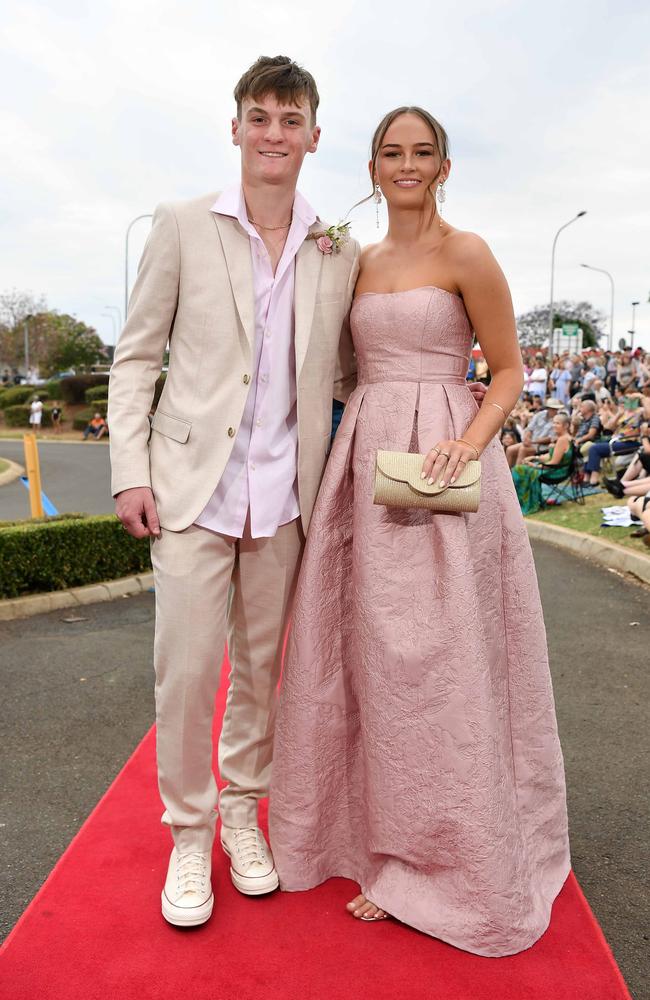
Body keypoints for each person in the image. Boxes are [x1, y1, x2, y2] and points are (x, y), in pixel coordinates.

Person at [108, 59, 489, 929]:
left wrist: (441, 419)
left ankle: (245, 814)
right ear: (235, 127)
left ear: (315, 136)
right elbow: (136, 359)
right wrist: (131, 469)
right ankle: (189, 836)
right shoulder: (178, 225)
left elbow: (365, 371)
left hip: (288, 501)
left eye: (291, 119)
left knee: (265, 674)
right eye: (260, 117)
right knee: (186, 672)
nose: (274, 133)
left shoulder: (338, 251)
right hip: (190, 492)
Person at [270, 106, 570, 957]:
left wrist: (466, 445)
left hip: (448, 470)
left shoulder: (467, 252)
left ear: (444, 164)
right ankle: (373, 845)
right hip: (366, 470)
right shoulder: (353, 262)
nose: (406, 165)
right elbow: (330, 366)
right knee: (365, 661)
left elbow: (508, 368)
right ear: (371, 168)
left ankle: (449, 862)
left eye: (422, 152)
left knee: (448, 665)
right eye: (391, 153)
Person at [512, 412, 574, 514]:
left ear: (566, 425)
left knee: (519, 470)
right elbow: (550, 456)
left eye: (557, 423)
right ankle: (518, 501)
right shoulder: (565, 438)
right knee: (521, 467)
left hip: (556, 472)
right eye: (553, 423)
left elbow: (553, 463)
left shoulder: (562, 440)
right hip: (557, 468)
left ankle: (522, 502)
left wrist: (535, 466)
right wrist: (534, 457)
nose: (554, 425)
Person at [504, 396, 557, 469]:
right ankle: (506, 474)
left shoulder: (557, 420)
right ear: (548, 408)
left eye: (555, 409)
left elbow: (550, 438)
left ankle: (516, 476)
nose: (554, 411)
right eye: (552, 408)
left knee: (523, 449)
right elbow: (530, 428)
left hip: (542, 447)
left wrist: (532, 441)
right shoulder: (540, 415)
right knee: (510, 449)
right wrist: (527, 438)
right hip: (531, 442)